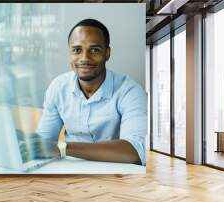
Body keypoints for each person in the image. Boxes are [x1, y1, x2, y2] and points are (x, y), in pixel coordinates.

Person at [25, 18, 147, 165]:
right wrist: (28, 144)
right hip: (69, 171)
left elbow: (136, 151)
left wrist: (62, 148)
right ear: (69, 53)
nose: (84, 58)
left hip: (115, 174)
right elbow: (45, 142)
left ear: (107, 53)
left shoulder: (130, 91)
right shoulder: (58, 87)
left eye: (94, 50)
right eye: (77, 50)